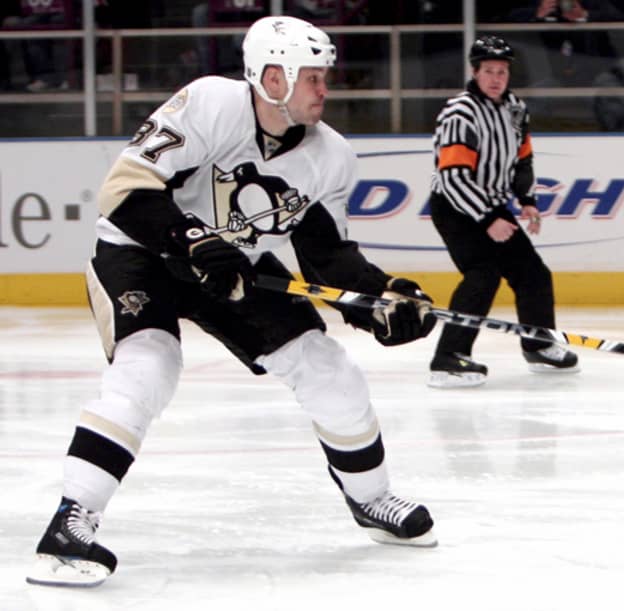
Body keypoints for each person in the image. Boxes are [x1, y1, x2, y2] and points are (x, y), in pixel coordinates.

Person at [27, 15, 439, 588]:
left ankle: (371, 500)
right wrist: (193, 241)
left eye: (325, 77)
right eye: (313, 78)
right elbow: (124, 193)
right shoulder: (210, 104)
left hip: (230, 269)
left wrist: (380, 298)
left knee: (327, 367)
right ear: (272, 78)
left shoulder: (331, 156)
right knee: (149, 364)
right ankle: (70, 523)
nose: (326, 89)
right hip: (140, 250)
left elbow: (327, 256)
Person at [426, 35, 579, 389]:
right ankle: (448, 358)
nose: (496, 78)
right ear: (475, 72)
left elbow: (522, 160)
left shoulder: (515, 109)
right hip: (456, 206)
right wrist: (487, 219)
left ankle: (539, 344)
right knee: (482, 275)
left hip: (492, 207)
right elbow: (453, 177)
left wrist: (527, 201)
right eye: (489, 71)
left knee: (534, 275)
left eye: (502, 71)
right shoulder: (459, 112)